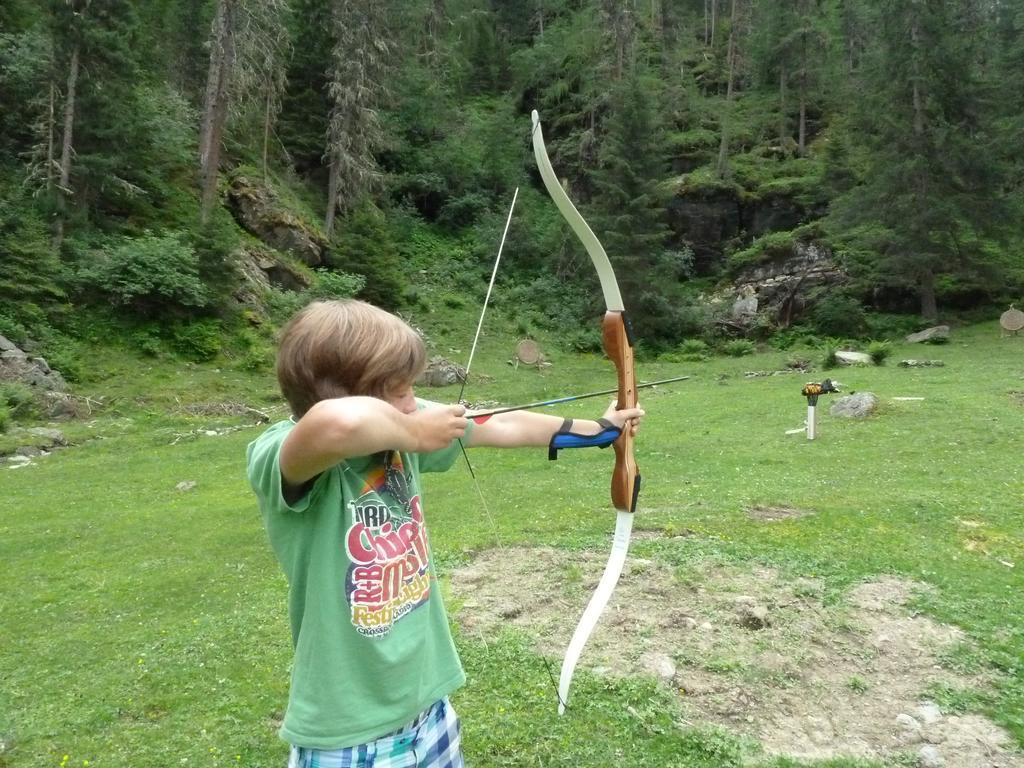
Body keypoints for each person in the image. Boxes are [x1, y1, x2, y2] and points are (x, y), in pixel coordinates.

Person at [246, 299, 644, 768]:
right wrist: (413, 432)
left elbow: (501, 422)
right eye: (399, 392)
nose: (414, 403)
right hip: (346, 735)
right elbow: (339, 424)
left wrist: (598, 430)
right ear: (346, 391)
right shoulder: (285, 454)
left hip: (429, 712)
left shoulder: (398, 431)